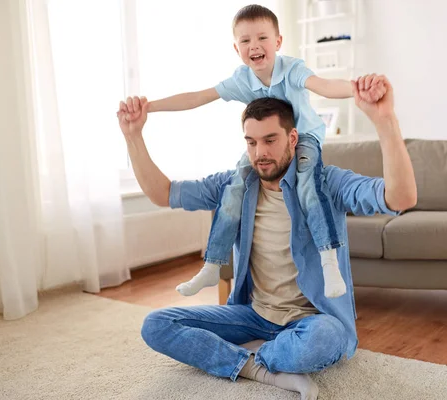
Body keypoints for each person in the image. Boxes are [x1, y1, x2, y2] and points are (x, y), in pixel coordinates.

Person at [117, 74, 417, 400]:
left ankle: (253, 355)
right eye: (251, 142)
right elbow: (164, 194)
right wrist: (133, 136)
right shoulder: (235, 185)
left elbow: (400, 198)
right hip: (253, 315)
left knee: (324, 341)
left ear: (292, 138)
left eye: (270, 140)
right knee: (157, 325)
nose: (260, 152)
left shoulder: (326, 182)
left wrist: (384, 120)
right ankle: (258, 364)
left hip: (313, 320)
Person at [120, 4, 386, 299]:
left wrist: (358, 88)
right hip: (268, 146)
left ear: (278, 42)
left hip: (305, 139)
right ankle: (213, 264)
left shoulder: (292, 70)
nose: (254, 46)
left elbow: (323, 86)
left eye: (262, 38)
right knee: (234, 187)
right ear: (237, 48)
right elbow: (197, 97)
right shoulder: (241, 80)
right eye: (245, 41)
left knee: (310, 186)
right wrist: (150, 107)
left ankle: (328, 259)